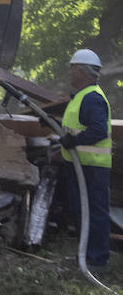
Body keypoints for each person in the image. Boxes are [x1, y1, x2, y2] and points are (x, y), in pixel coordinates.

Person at [59, 47, 112, 269]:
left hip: (92, 167)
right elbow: (77, 126)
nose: (70, 73)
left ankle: (97, 260)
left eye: (72, 68)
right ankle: (86, 255)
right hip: (80, 165)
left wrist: (75, 141)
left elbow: (98, 130)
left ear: (82, 71)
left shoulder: (92, 98)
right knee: (82, 212)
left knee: (95, 213)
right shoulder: (81, 96)